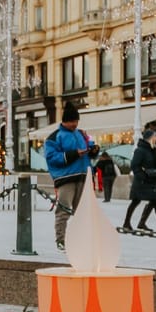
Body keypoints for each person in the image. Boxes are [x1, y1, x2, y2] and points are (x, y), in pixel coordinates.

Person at [41, 103, 94, 250]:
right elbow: (51, 157)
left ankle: (81, 239)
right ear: (65, 121)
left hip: (82, 175)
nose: (74, 124)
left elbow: (89, 148)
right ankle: (61, 239)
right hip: (66, 178)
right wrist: (73, 154)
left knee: (82, 212)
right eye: (72, 121)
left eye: (76, 121)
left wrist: (93, 150)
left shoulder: (81, 133)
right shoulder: (54, 137)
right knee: (63, 210)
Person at [122, 126, 156, 232]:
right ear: (150, 137)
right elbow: (134, 165)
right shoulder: (140, 150)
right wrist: (143, 176)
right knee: (135, 202)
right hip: (142, 181)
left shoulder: (151, 149)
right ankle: (126, 223)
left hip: (151, 181)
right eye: (155, 136)